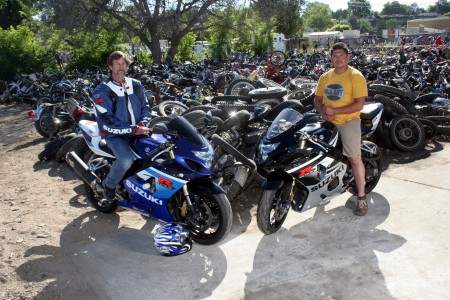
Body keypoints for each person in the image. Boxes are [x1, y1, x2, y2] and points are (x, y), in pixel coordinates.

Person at [314, 42, 369, 216]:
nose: (338, 59)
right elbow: (317, 99)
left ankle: (361, 198)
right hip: (327, 119)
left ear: (347, 58)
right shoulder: (325, 77)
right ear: (331, 58)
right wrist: (322, 112)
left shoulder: (355, 76)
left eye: (341, 56)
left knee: (354, 158)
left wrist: (335, 111)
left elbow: (359, 104)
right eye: (335, 56)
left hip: (348, 120)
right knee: (316, 153)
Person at [92, 50, 151, 205]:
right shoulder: (102, 90)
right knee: (125, 160)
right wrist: (133, 129)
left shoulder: (135, 84)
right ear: (110, 66)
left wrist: (143, 123)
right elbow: (107, 122)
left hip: (137, 130)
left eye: (124, 63)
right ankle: (109, 186)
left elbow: (145, 107)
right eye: (117, 63)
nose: (121, 66)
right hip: (114, 134)